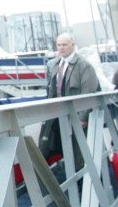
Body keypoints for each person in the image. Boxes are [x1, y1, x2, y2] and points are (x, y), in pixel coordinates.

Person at [39, 33, 99, 168]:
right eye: (59, 45)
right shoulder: (54, 65)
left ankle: (82, 181)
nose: (61, 48)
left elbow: (88, 93)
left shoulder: (84, 66)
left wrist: (83, 117)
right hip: (58, 116)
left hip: (76, 117)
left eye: (65, 44)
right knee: (49, 146)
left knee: (79, 151)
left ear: (73, 44)